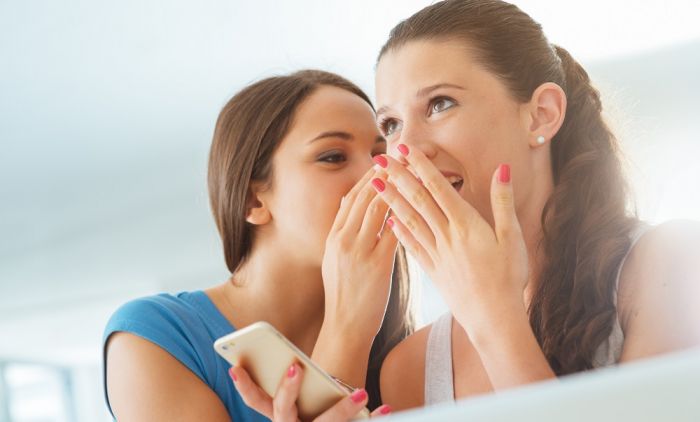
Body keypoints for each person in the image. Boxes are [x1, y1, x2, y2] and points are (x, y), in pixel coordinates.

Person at [367, 0, 700, 411]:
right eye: (391, 125)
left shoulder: (670, 263)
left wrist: (492, 316)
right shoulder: (409, 369)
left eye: (440, 104)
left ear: (541, 115)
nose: (407, 148)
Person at [103, 69, 415, 420]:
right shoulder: (157, 337)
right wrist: (349, 328)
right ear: (252, 201)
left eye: (380, 155)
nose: (375, 174)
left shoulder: (406, 355)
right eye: (332, 156)